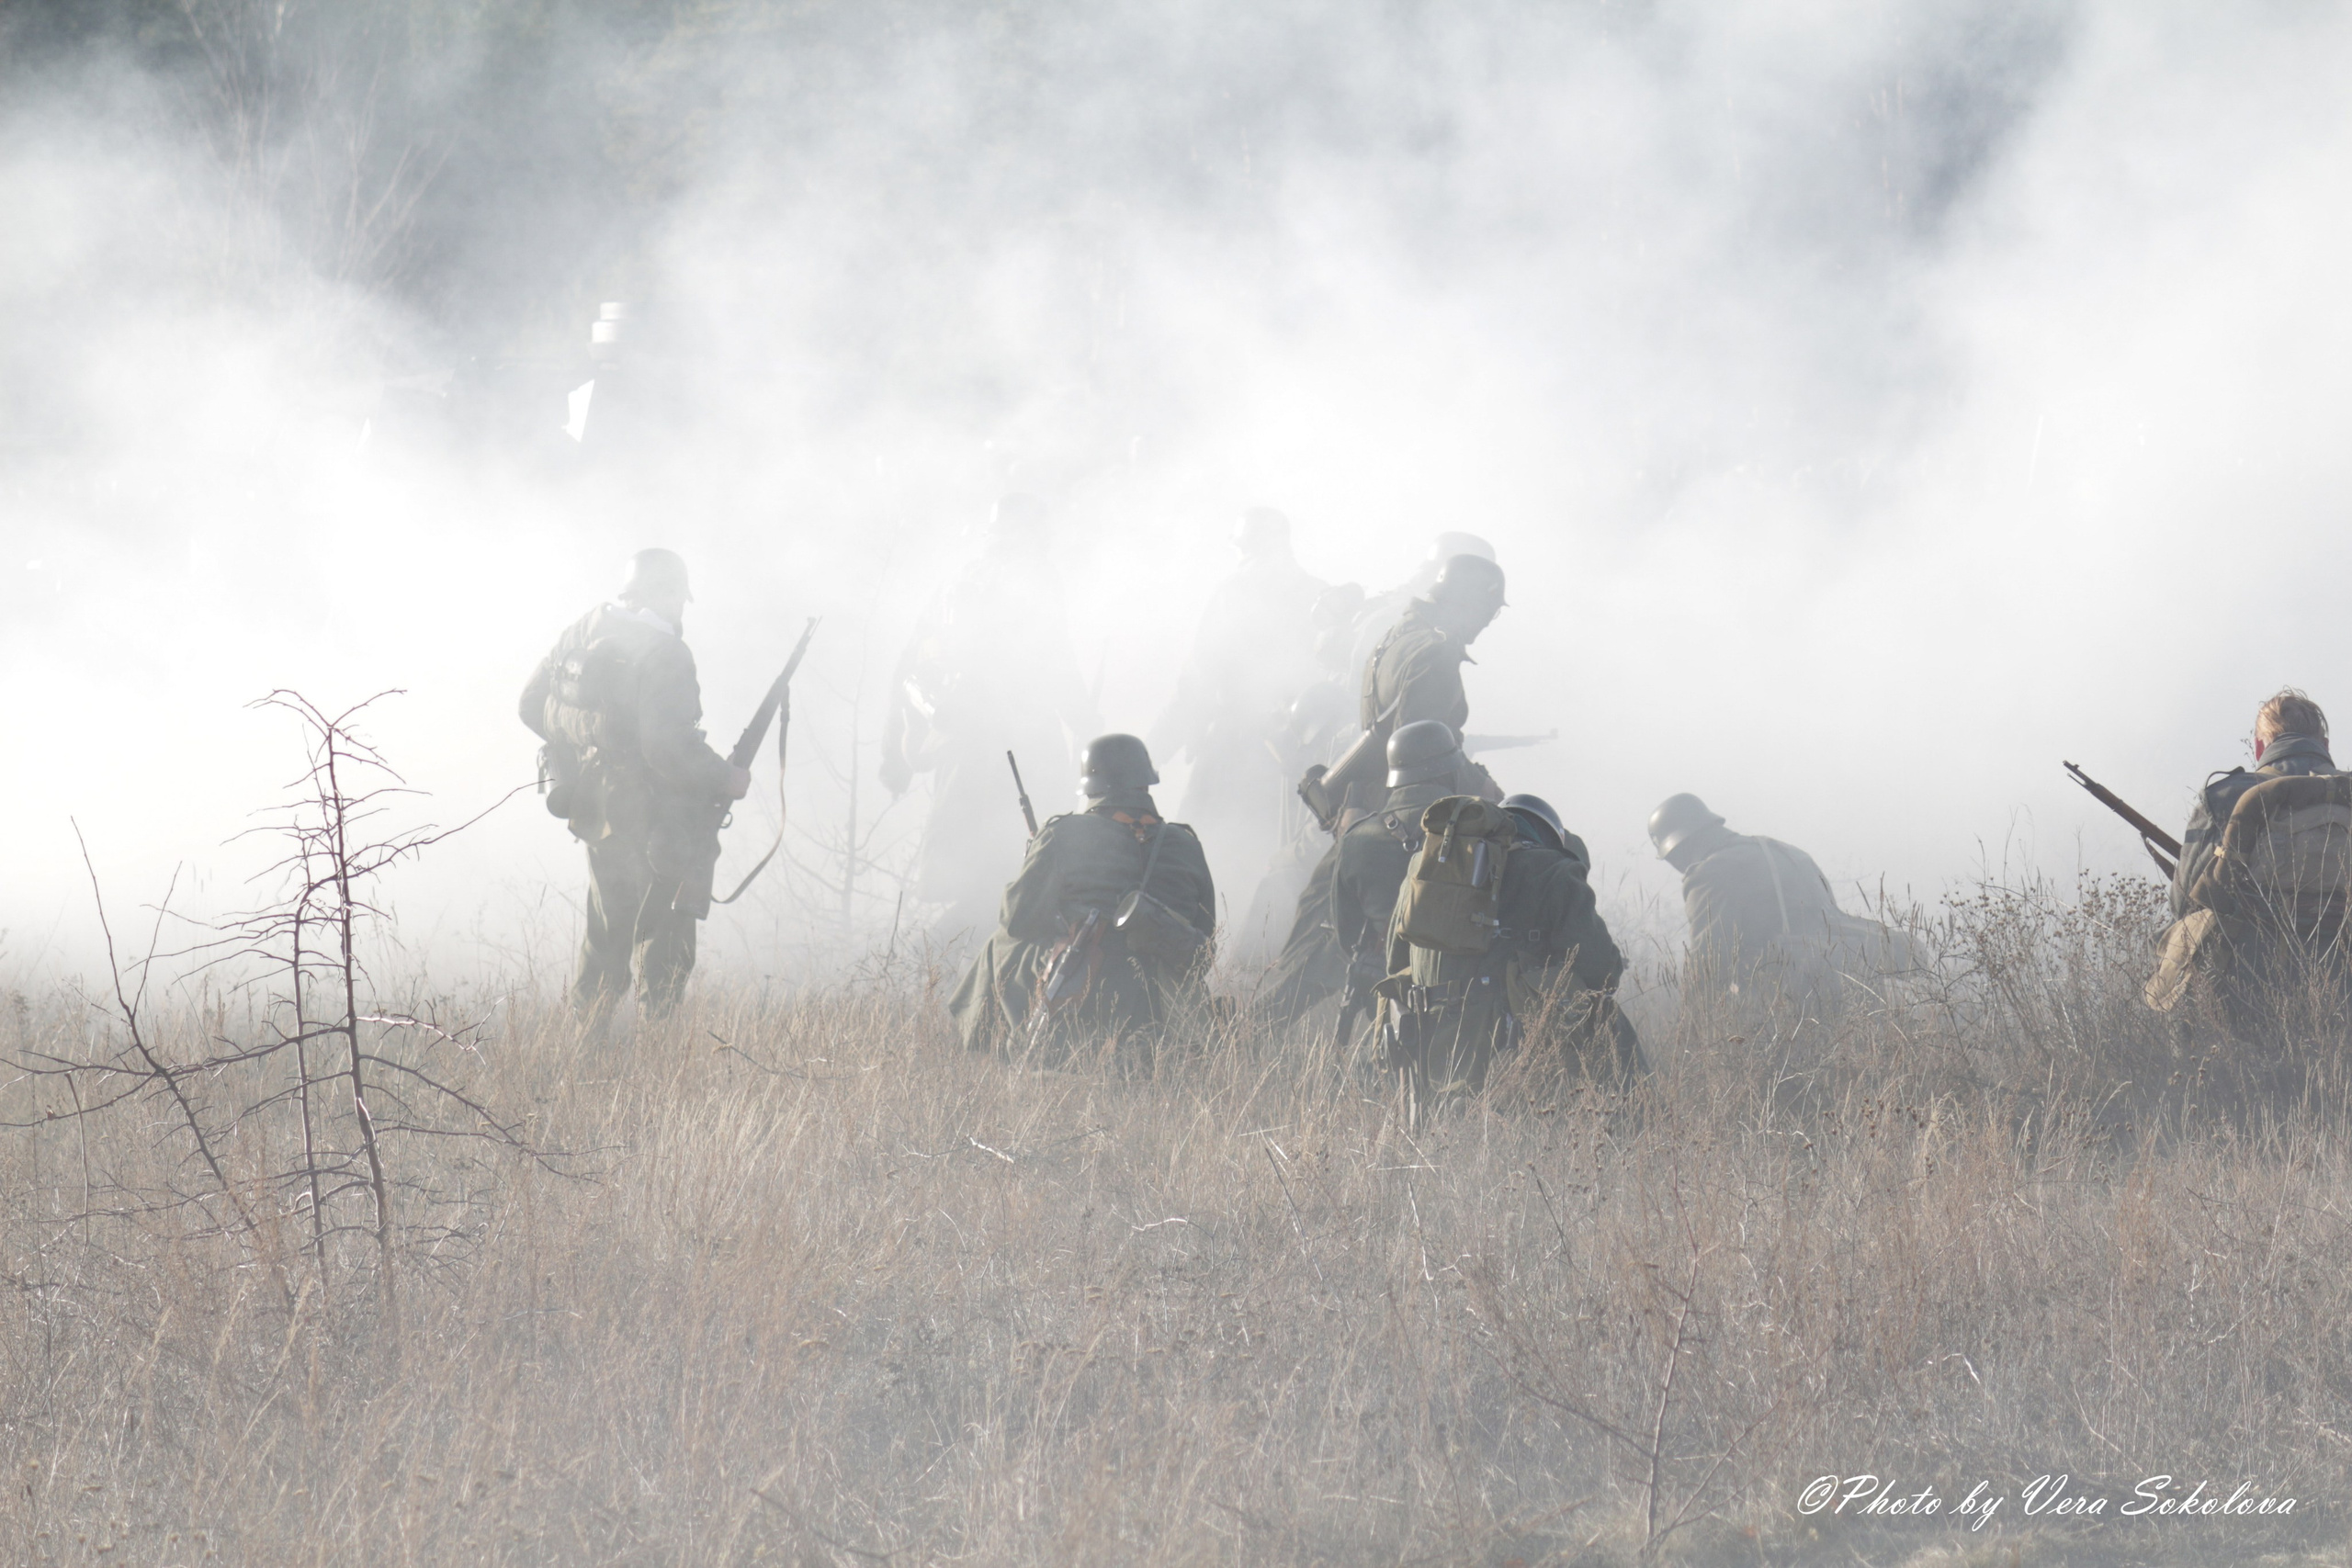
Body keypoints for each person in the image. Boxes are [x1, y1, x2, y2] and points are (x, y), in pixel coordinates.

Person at [520, 548, 751, 1020]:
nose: (682, 609)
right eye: (679, 598)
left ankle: (585, 1058)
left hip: (596, 810)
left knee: (605, 939)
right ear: (665, 594)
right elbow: (666, 746)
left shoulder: (585, 628)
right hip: (656, 818)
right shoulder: (666, 651)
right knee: (665, 942)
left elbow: (530, 704)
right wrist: (727, 776)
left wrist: (591, 750)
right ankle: (659, 1062)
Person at [880, 495, 1100, 945]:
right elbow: (1055, 659)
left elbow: (907, 667)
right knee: (1028, 865)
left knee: (983, 873)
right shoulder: (1034, 580)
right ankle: (958, 965)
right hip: (1025, 749)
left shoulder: (957, 583)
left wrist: (895, 756)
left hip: (964, 753)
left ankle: (956, 967)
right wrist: (1091, 728)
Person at [948, 734, 1216, 1061]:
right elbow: (1204, 932)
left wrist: (1037, 858)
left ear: (1091, 787)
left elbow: (1017, 919)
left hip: (1090, 984)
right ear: (1146, 783)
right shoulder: (1185, 843)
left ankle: (982, 1054)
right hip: (1168, 996)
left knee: (1000, 944)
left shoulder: (1062, 834)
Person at [1377, 792, 1637, 1106]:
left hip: (1423, 1033)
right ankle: (1640, 1125)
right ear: (1548, 835)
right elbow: (1599, 971)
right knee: (1607, 1017)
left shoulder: (1424, 865)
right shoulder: (1553, 868)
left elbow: (1395, 960)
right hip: (1506, 1040)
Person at [1152, 506, 1327, 910]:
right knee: (1273, 866)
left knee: (1191, 856)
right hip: (1295, 763)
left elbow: (1196, 688)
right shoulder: (1319, 595)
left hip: (1238, 757)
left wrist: (1147, 755)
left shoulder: (1234, 596)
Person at [2147, 689, 2352, 1030]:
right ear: (2326, 746)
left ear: (2259, 748)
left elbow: (2185, 902)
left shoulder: (2227, 796)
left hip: (2251, 989)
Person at [1647, 793, 1905, 1008]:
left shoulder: (1709, 874)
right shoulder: (1788, 852)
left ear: (1678, 847)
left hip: (1787, 1007)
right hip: (1858, 994)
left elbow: (1709, 964)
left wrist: (1692, 1040)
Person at [1329, 721, 1500, 1040]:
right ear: (1449, 771)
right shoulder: (1481, 832)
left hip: (1390, 997)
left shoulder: (1356, 841)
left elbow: (1347, 934)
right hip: (1473, 1001)